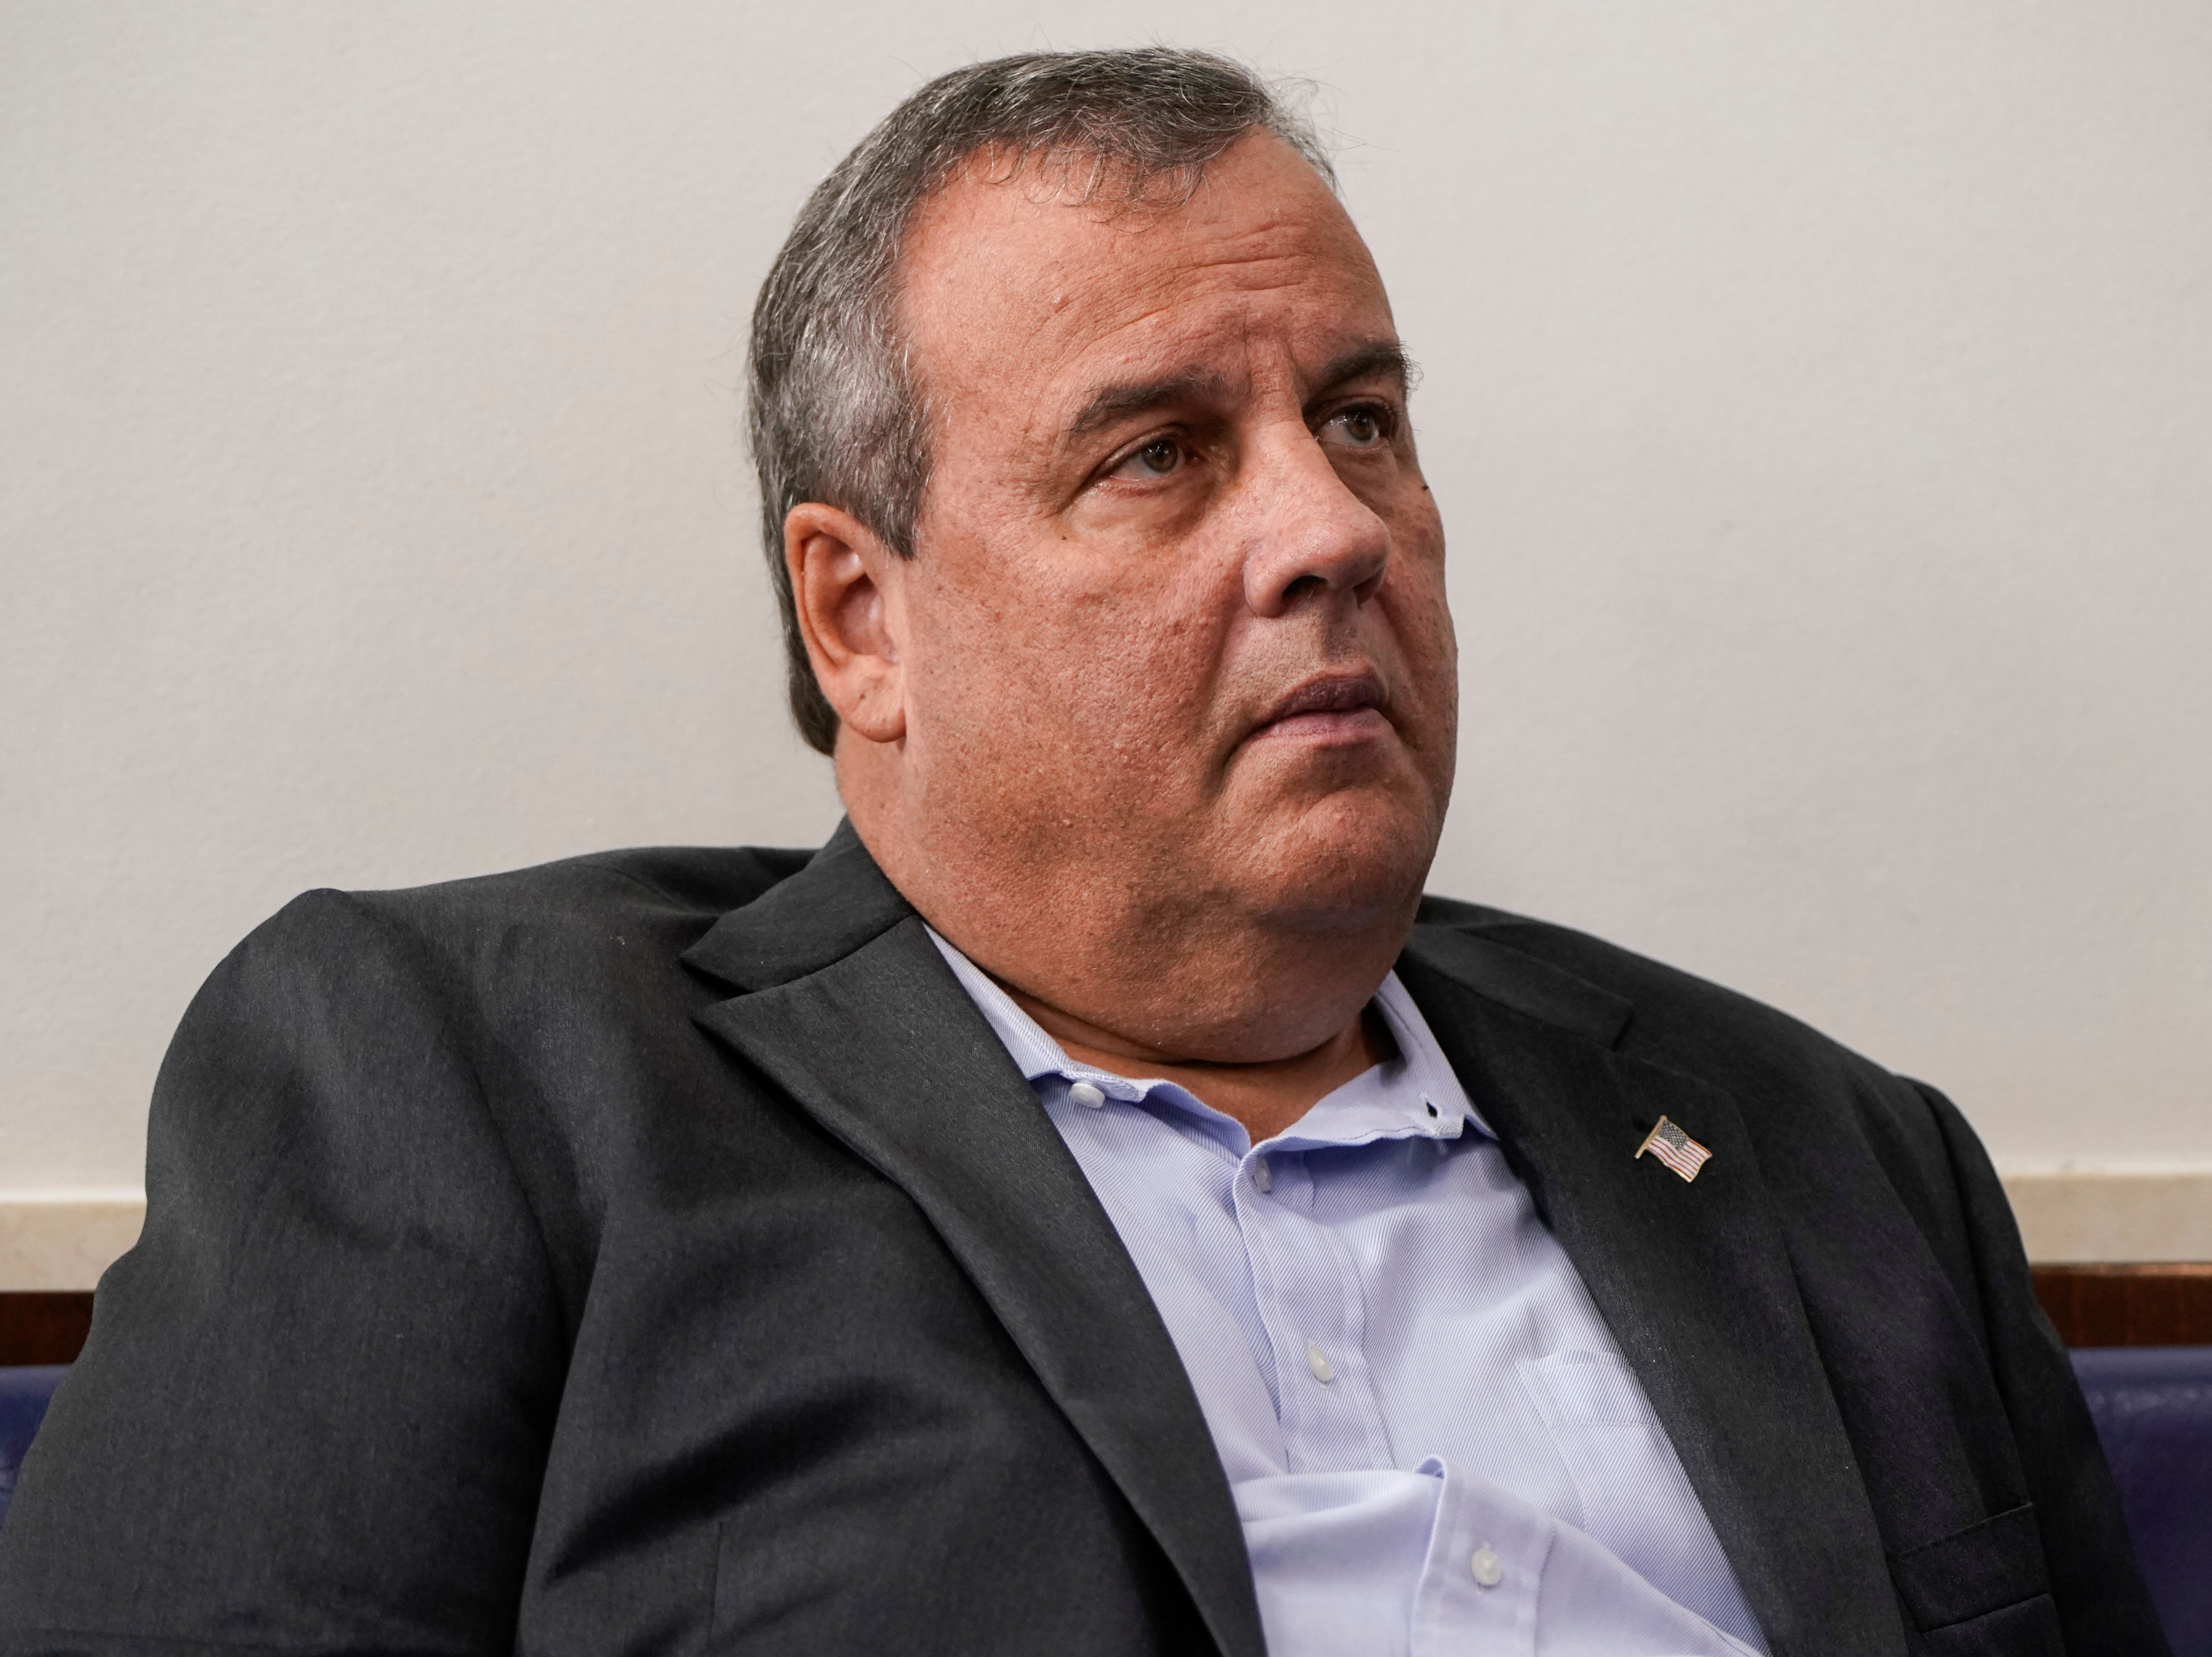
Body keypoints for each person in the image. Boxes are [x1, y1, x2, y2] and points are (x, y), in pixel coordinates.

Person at [0, 48, 2164, 1657]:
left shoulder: (1825, 1154)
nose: (1328, 529)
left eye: (1362, 422)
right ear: (863, 617)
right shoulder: (473, 1079)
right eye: (1157, 455)